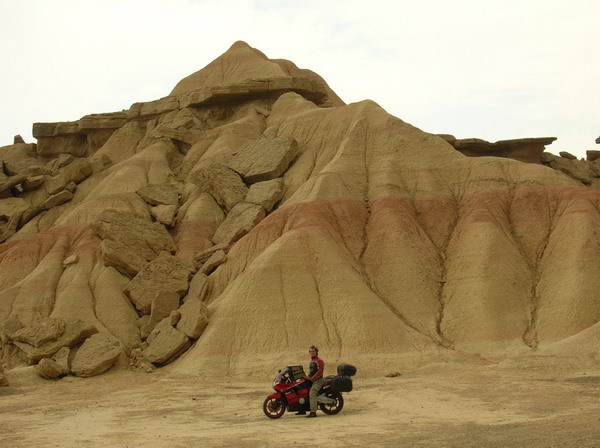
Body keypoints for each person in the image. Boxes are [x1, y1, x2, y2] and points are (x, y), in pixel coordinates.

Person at [303, 345, 324, 418]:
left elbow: (320, 372)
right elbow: (311, 372)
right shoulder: (312, 361)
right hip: (313, 380)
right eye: (310, 351)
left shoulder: (319, 361)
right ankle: (302, 409)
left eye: (313, 351)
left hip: (318, 381)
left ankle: (313, 412)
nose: (312, 352)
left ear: (316, 352)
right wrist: (306, 377)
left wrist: (311, 378)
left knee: (312, 394)